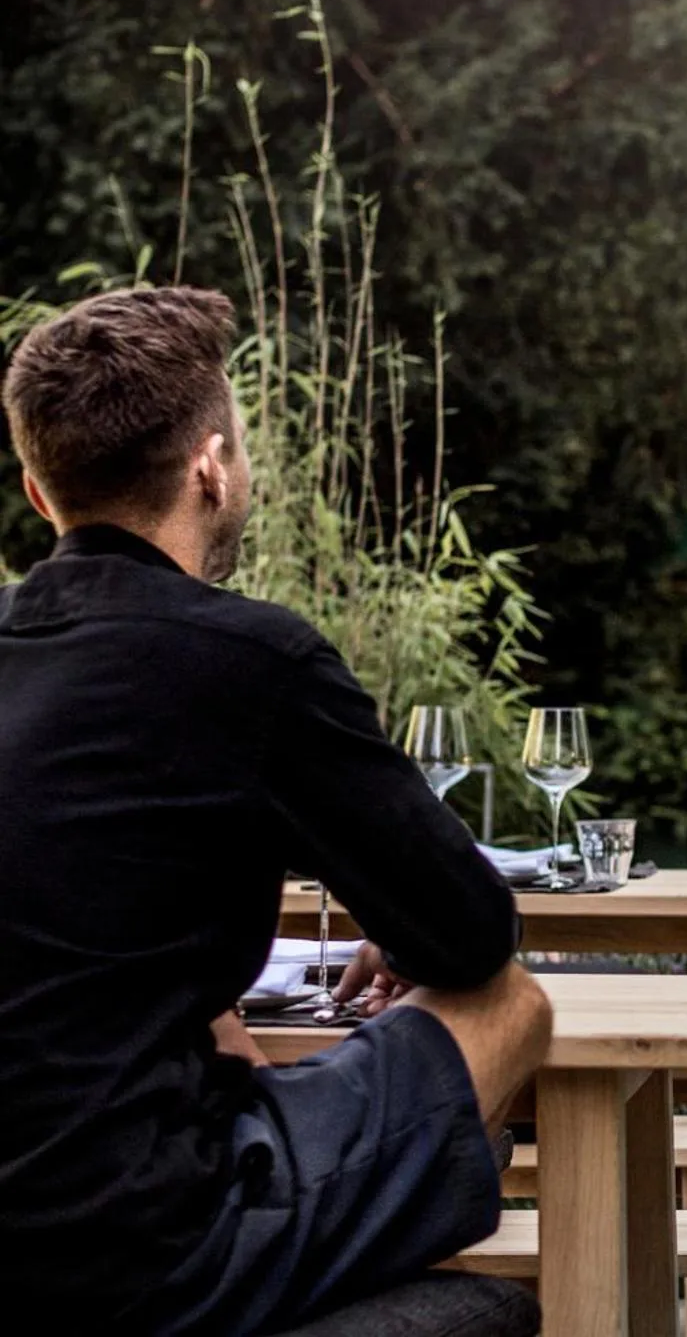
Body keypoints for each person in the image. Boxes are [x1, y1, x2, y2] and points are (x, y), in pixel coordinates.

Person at [0, 286, 553, 1335]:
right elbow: (474, 936)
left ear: (39, 491)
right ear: (211, 465)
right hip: (134, 1245)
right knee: (509, 1007)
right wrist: (404, 926)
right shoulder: (251, 658)